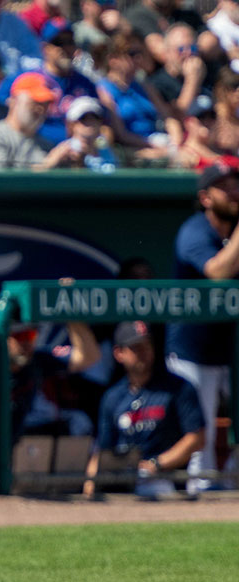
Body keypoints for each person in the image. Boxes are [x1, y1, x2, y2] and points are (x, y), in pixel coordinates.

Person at [166, 162, 239, 493]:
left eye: (235, 185)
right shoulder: (194, 230)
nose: (234, 191)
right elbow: (218, 271)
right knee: (203, 436)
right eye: (224, 187)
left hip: (229, 346)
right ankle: (201, 501)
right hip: (193, 349)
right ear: (205, 197)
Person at [83, 321, 205, 500]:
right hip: (123, 479)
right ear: (119, 353)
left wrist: (156, 464)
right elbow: (103, 448)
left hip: (165, 478)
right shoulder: (113, 396)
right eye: (136, 348)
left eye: (146, 346)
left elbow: (197, 437)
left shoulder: (178, 388)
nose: (143, 353)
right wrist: (89, 483)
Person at [0, 71, 54, 168]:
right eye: (35, 102)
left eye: (45, 104)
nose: (40, 109)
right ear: (14, 101)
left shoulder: (46, 145)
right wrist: (47, 166)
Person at [41, 96, 117, 171]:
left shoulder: (105, 149)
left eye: (94, 117)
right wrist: (56, 161)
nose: (90, 122)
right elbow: (40, 172)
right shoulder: (64, 150)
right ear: (72, 124)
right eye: (83, 118)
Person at [146, 23, 206, 118]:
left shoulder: (205, 72)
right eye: (181, 49)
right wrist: (192, 80)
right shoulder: (157, 85)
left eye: (193, 48)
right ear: (168, 52)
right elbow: (176, 116)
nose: (189, 53)